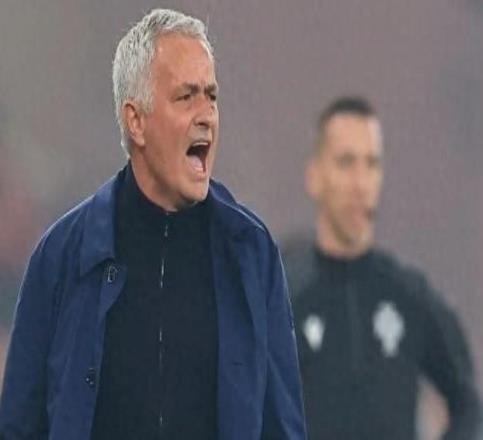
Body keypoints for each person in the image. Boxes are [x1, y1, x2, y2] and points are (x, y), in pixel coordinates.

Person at [0, 9, 306, 440]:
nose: (207, 115)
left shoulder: (250, 252)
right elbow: (18, 424)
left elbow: (283, 426)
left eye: (211, 96)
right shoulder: (63, 255)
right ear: (136, 121)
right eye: (186, 97)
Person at [283, 96, 481, 440]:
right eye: (346, 163)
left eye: (371, 164)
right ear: (314, 177)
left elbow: (466, 401)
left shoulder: (408, 296)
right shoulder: (284, 300)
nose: (360, 183)